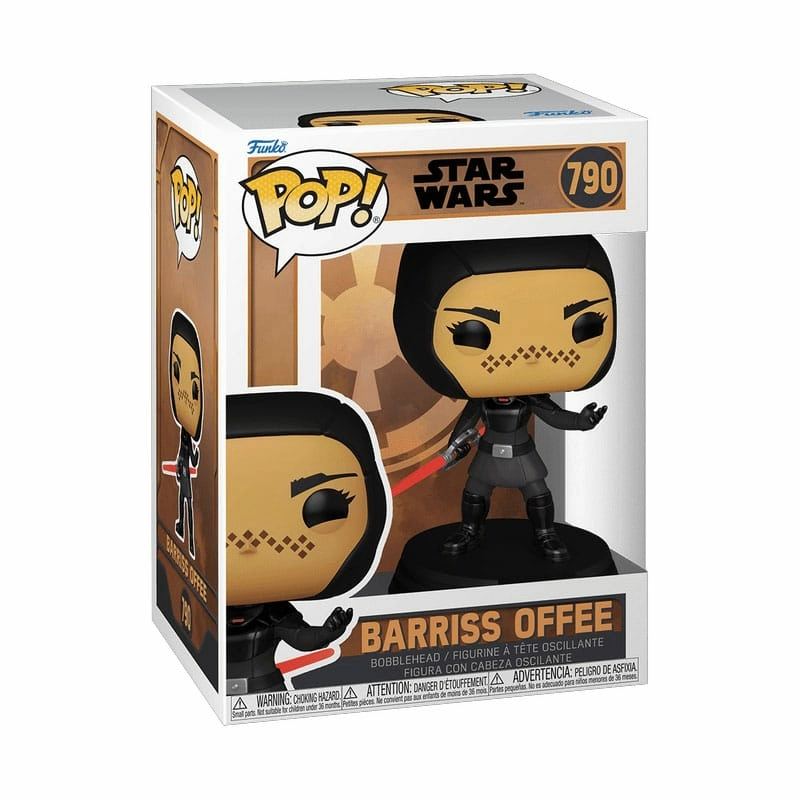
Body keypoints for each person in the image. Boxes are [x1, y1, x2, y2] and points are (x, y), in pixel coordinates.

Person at [393, 235, 616, 560]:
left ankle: (545, 533)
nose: (529, 354)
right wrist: (454, 449)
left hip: (522, 455)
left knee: (537, 493)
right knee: (474, 492)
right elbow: (467, 423)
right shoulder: (482, 399)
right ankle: (470, 530)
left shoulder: (530, 398)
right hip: (487, 455)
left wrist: (582, 421)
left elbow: (554, 415)